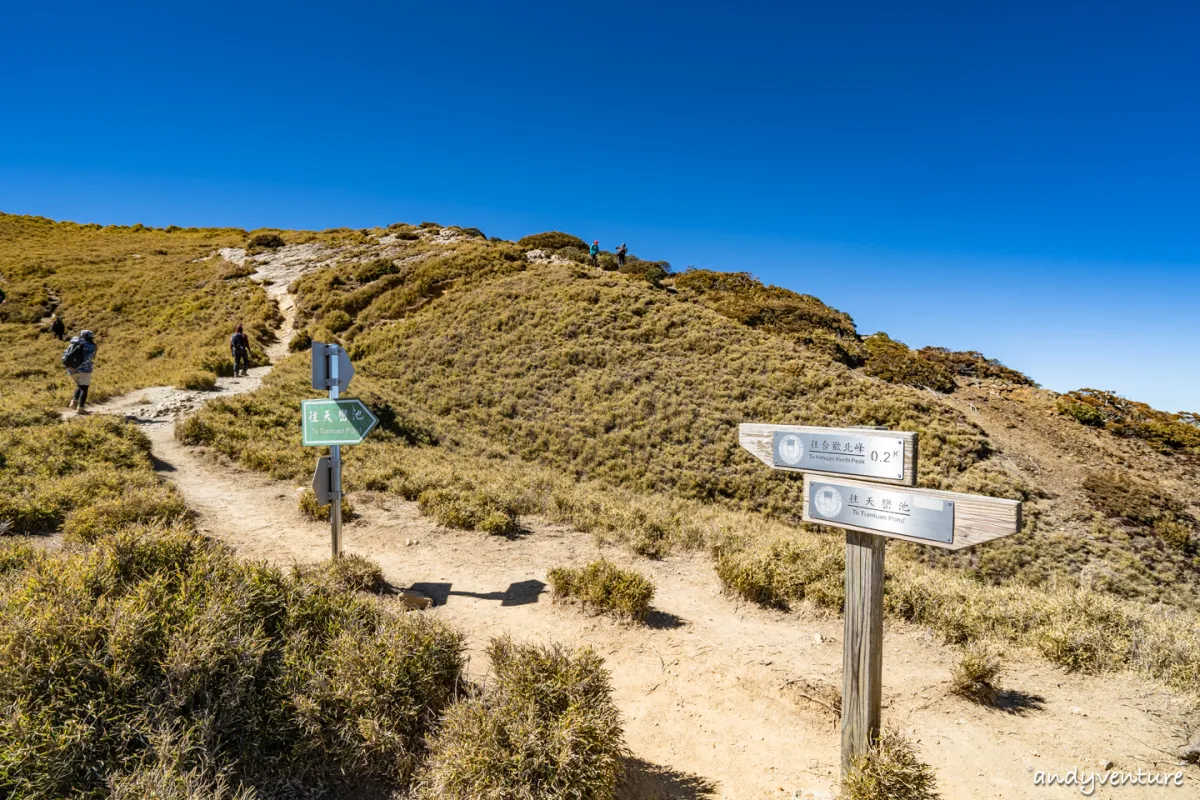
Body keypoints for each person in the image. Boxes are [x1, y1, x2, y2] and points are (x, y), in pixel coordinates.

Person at [63, 330, 97, 415]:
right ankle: (80, 409)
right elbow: (88, 358)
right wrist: (78, 366)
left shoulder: (73, 343)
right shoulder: (91, 346)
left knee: (80, 386)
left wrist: (71, 367)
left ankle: (73, 402)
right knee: (84, 388)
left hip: (71, 370)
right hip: (84, 370)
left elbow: (65, 355)